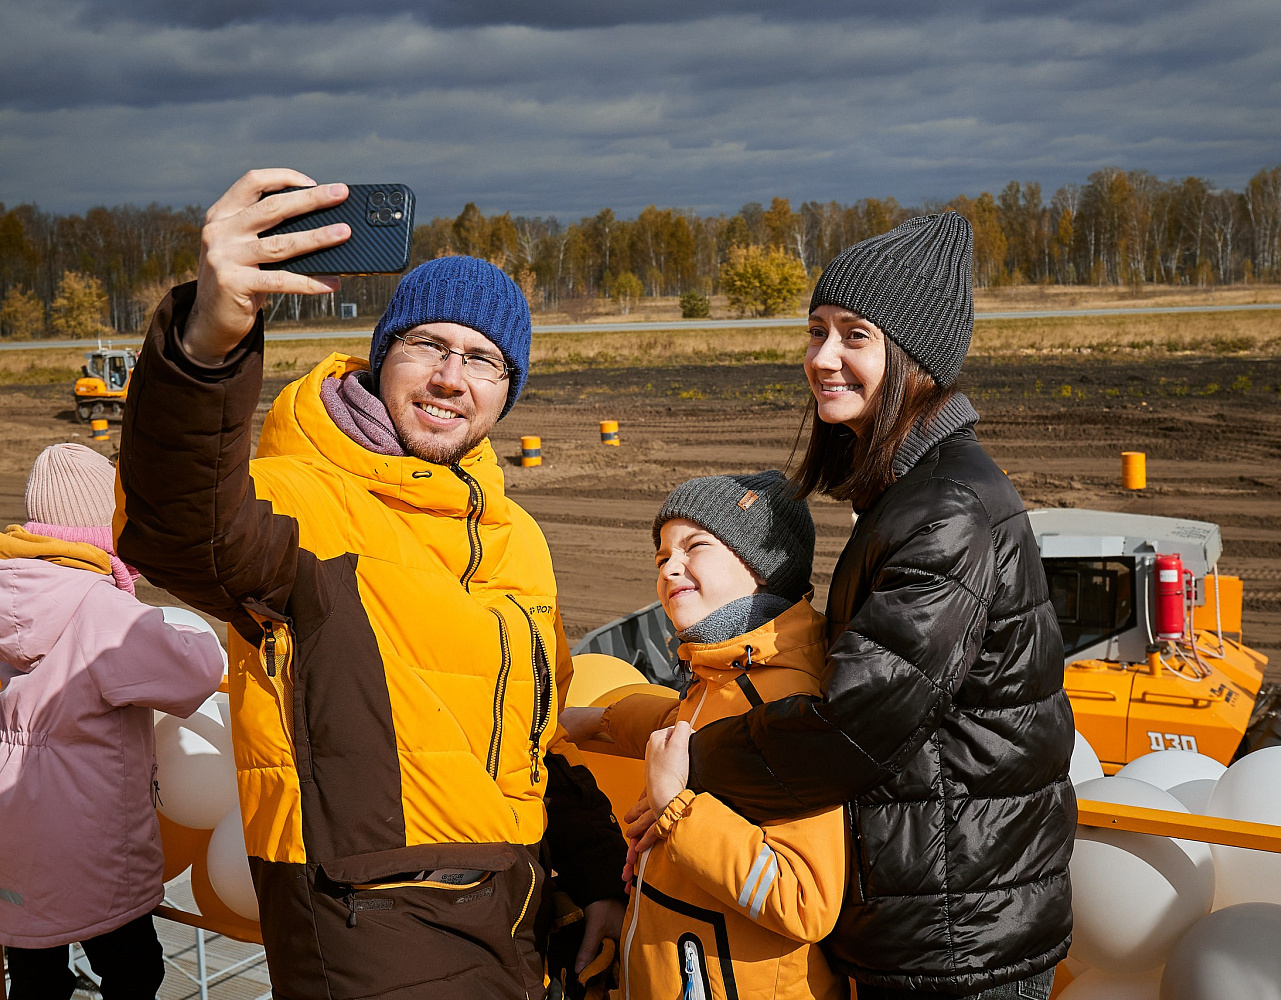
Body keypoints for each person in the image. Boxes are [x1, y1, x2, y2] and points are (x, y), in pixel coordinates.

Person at [114, 170, 626, 999]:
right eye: (428, 344)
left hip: (513, 910)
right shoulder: (303, 494)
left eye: (483, 359)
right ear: (384, 353)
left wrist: (597, 874)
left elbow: (534, 735)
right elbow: (179, 530)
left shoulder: (517, 537)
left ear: (508, 388)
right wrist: (204, 349)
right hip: (367, 918)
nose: (451, 377)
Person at [634, 213, 1076, 999]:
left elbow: (855, 724)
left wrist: (689, 767)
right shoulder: (910, 494)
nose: (822, 359)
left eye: (853, 337)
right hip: (943, 906)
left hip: (956, 933)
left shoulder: (944, 510)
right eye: (815, 332)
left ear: (915, 360)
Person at [563, 471, 847, 1000]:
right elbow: (683, 730)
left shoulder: (786, 704)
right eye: (661, 557)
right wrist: (591, 722)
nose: (670, 567)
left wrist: (675, 807)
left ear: (765, 566)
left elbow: (804, 897)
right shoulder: (727, 679)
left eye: (696, 546)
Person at [0, 443, 226, 1000]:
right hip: (92, 846)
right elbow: (196, 671)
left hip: (12, 835)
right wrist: (191, 628)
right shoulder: (102, 612)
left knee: (33, 976)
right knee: (135, 971)